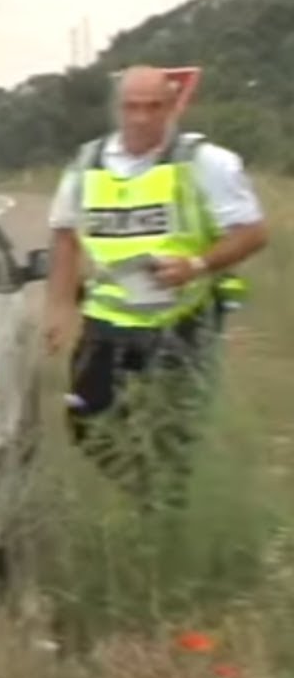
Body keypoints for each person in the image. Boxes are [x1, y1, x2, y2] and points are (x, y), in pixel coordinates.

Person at [44, 65, 267, 512]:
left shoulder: (205, 163)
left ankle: (164, 514)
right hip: (108, 320)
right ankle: (143, 490)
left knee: (172, 432)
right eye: (132, 107)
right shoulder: (87, 164)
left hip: (181, 319)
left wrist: (197, 264)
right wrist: (58, 306)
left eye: (154, 107)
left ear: (173, 106)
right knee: (86, 423)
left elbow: (252, 233)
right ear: (118, 109)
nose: (142, 118)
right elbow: (65, 235)